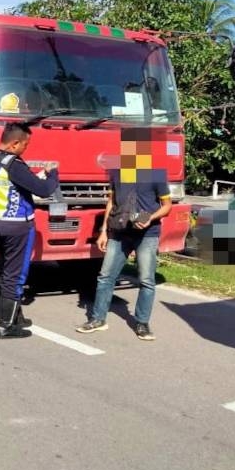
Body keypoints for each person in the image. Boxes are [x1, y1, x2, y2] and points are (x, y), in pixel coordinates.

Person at [76, 131, 171, 341]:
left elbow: (167, 206)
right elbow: (111, 202)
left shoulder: (156, 174)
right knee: (105, 276)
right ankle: (98, 319)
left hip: (147, 233)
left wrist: (150, 217)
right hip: (119, 232)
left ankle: (142, 322)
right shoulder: (118, 172)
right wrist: (103, 231)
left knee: (146, 279)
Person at [0, 123, 59, 339]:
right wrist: (52, 174)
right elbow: (44, 190)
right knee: (15, 275)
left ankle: (16, 316)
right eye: (25, 145)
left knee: (6, 269)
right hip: (17, 226)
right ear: (14, 143)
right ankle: (5, 326)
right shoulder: (13, 165)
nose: (26, 149)